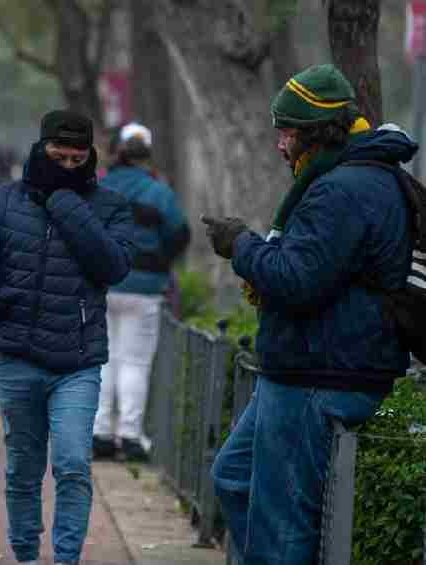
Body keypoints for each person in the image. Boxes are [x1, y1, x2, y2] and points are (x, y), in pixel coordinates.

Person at [204, 64, 417, 563]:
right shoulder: (351, 178)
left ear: (318, 133)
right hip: (307, 368)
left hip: (320, 375)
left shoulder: (343, 189)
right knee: (233, 478)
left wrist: (240, 245)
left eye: (288, 133)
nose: (281, 145)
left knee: (282, 534)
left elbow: (297, 281)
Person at [0, 109, 134, 565]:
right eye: (57, 156)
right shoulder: (2, 202)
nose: (67, 165)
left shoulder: (112, 205)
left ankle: (67, 558)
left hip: (78, 359)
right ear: (40, 148)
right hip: (17, 354)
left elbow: (113, 267)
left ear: (90, 156)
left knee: (73, 465)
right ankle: (26, 553)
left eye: (77, 158)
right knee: (23, 469)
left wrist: (63, 201)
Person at [93, 122, 190, 462]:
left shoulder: (101, 186)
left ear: (117, 151)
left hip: (104, 285)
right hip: (146, 287)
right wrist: (160, 262)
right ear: (147, 155)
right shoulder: (158, 191)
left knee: (103, 359)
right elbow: (180, 233)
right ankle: (130, 436)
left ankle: (100, 432)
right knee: (134, 362)